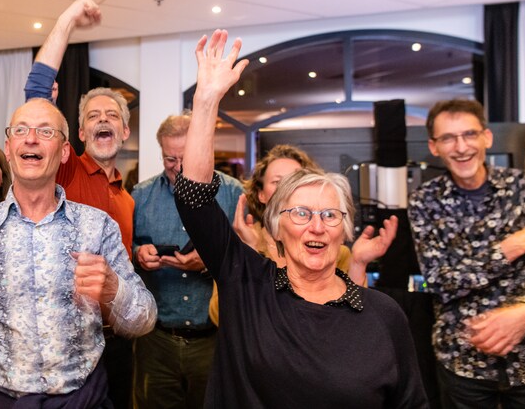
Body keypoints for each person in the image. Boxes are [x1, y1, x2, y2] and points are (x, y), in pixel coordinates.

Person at [174, 29, 426, 408]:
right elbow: (194, 198)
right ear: (276, 226)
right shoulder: (246, 282)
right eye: (302, 213)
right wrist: (206, 101)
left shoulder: (383, 314)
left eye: (330, 214)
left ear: (345, 230)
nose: (317, 225)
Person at [0, 98, 157, 407]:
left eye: (46, 131)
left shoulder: (98, 226)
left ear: (64, 152)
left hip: (83, 400)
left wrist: (113, 291)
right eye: (21, 129)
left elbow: (143, 320)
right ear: (9, 148)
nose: (32, 137)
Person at [24, 0, 136, 408]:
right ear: (80, 136)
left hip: (116, 337)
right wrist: (68, 19)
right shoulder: (65, 169)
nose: (103, 119)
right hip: (61, 339)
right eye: (93, 116)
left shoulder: (128, 197)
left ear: (124, 132)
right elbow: (36, 91)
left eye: (112, 115)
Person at [408, 98, 525, 407]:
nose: (461, 147)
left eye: (469, 134)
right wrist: (515, 245)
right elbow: (441, 282)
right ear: (434, 146)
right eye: (448, 138)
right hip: (462, 361)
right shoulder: (424, 201)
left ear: (486, 137)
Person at [208, 144, 397, 325]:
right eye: (277, 181)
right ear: (261, 194)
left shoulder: (333, 252)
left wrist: (359, 263)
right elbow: (223, 316)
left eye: (296, 178)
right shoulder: (240, 247)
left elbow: (355, 317)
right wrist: (249, 252)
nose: (287, 186)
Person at [132, 113, 243, 409]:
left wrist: (208, 264)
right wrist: (139, 254)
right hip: (156, 340)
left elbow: (249, 260)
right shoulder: (140, 196)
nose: (179, 167)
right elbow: (127, 249)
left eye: (185, 157)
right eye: (170, 159)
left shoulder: (233, 193)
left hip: (214, 339)